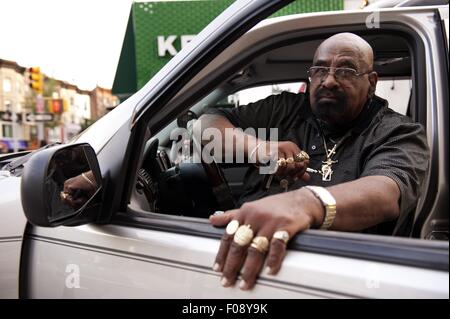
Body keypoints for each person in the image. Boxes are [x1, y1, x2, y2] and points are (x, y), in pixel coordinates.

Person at [195, 33, 429, 291]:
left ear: (372, 83)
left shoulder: (397, 131)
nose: (328, 80)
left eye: (346, 70)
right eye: (319, 69)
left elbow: (384, 193)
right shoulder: (284, 110)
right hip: (242, 254)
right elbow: (204, 127)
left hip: (335, 278)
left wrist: (304, 203)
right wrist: (257, 148)